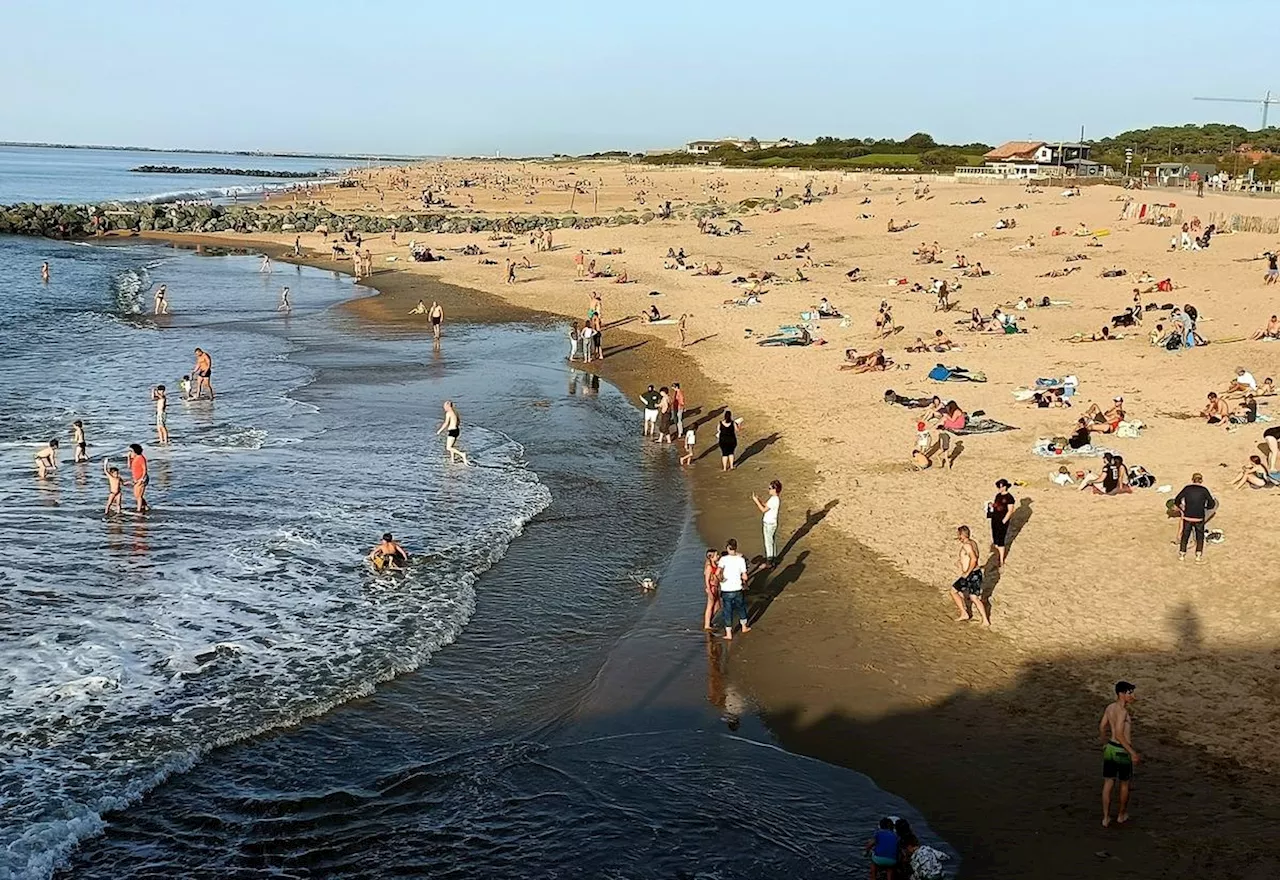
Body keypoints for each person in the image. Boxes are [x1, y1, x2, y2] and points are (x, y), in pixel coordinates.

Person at [1100, 681, 1141, 827]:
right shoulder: (1122, 712)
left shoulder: (1110, 707)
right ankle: (1121, 814)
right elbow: (1119, 734)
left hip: (1110, 749)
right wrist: (1132, 752)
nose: (1132, 696)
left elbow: (1102, 726)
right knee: (1124, 784)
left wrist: (1104, 743)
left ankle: (1105, 817)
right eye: (1130, 693)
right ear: (1121, 694)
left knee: (1108, 782)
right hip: (1122, 750)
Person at [950, 525, 989, 625]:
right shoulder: (973, 543)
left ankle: (964, 613)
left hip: (970, 574)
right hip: (976, 573)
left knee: (954, 591)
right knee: (974, 597)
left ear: (962, 535)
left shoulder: (967, 545)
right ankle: (985, 620)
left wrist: (967, 572)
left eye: (959, 535)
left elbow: (974, 559)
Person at [1173, 473, 1216, 563]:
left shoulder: (1187, 488)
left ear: (1192, 479)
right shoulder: (1204, 490)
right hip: (1199, 517)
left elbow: (1177, 499)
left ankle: (1182, 554)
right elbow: (1211, 503)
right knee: (1199, 536)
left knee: (1185, 535)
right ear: (1201, 480)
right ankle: (1198, 555)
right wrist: (1205, 508)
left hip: (1188, 516)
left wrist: (1182, 507)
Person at [716, 538, 750, 639]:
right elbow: (745, 576)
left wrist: (721, 580)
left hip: (726, 589)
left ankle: (729, 633)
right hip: (737, 588)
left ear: (727, 548)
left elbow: (717, 573)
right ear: (736, 547)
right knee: (741, 607)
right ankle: (744, 626)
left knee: (727, 610)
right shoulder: (740, 559)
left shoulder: (723, 559)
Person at [752, 480, 782, 566]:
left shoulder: (774, 499)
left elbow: (763, 510)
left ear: (774, 489)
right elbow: (766, 505)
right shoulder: (774, 499)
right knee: (772, 541)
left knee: (768, 542)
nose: (768, 489)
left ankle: (769, 562)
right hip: (771, 523)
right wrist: (759, 500)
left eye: (770, 488)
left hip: (769, 523)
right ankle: (774, 558)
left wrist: (756, 501)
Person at [988, 479, 1014, 565]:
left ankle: (1001, 560)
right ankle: (998, 554)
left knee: (1001, 541)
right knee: (995, 538)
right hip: (995, 519)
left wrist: (1004, 521)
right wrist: (992, 505)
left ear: (1005, 487)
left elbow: (1010, 511)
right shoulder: (998, 495)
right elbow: (996, 505)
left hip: (1002, 521)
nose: (1000, 488)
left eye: (1001, 486)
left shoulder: (1009, 498)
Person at [435, 400, 470, 466]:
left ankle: (462, 454)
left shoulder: (449, 413)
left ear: (448, 406)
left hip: (452, 431)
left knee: (448, 447)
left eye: (445, 406)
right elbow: (458, 422)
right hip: (456, 430)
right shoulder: (455, 412)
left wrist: (439, 430)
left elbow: (446, 423)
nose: (444, 408)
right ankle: (452, 460)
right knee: (452, 446)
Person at [702, 548, 722, 631]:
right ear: (711, 557)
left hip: (716, 587)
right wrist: (709, 591)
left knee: (717, 606)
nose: (718, 556)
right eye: (716, 555)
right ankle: (707, 625)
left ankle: (710, 620)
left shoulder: (715, 565)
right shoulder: (709, 567)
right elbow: (706, 580)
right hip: (711, 587)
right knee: (710, 606)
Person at [127, 443, 150, 513]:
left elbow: (145, 469)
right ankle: (145, 506)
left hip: (142, 478)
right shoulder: (134, 458)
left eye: (131, 451)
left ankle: (139, 510)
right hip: (136, 478)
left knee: (138, 495)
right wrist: (128, 457)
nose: (130, 452)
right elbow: (129, 466)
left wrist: (142, 479)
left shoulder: (141, 458)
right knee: (136, 494)